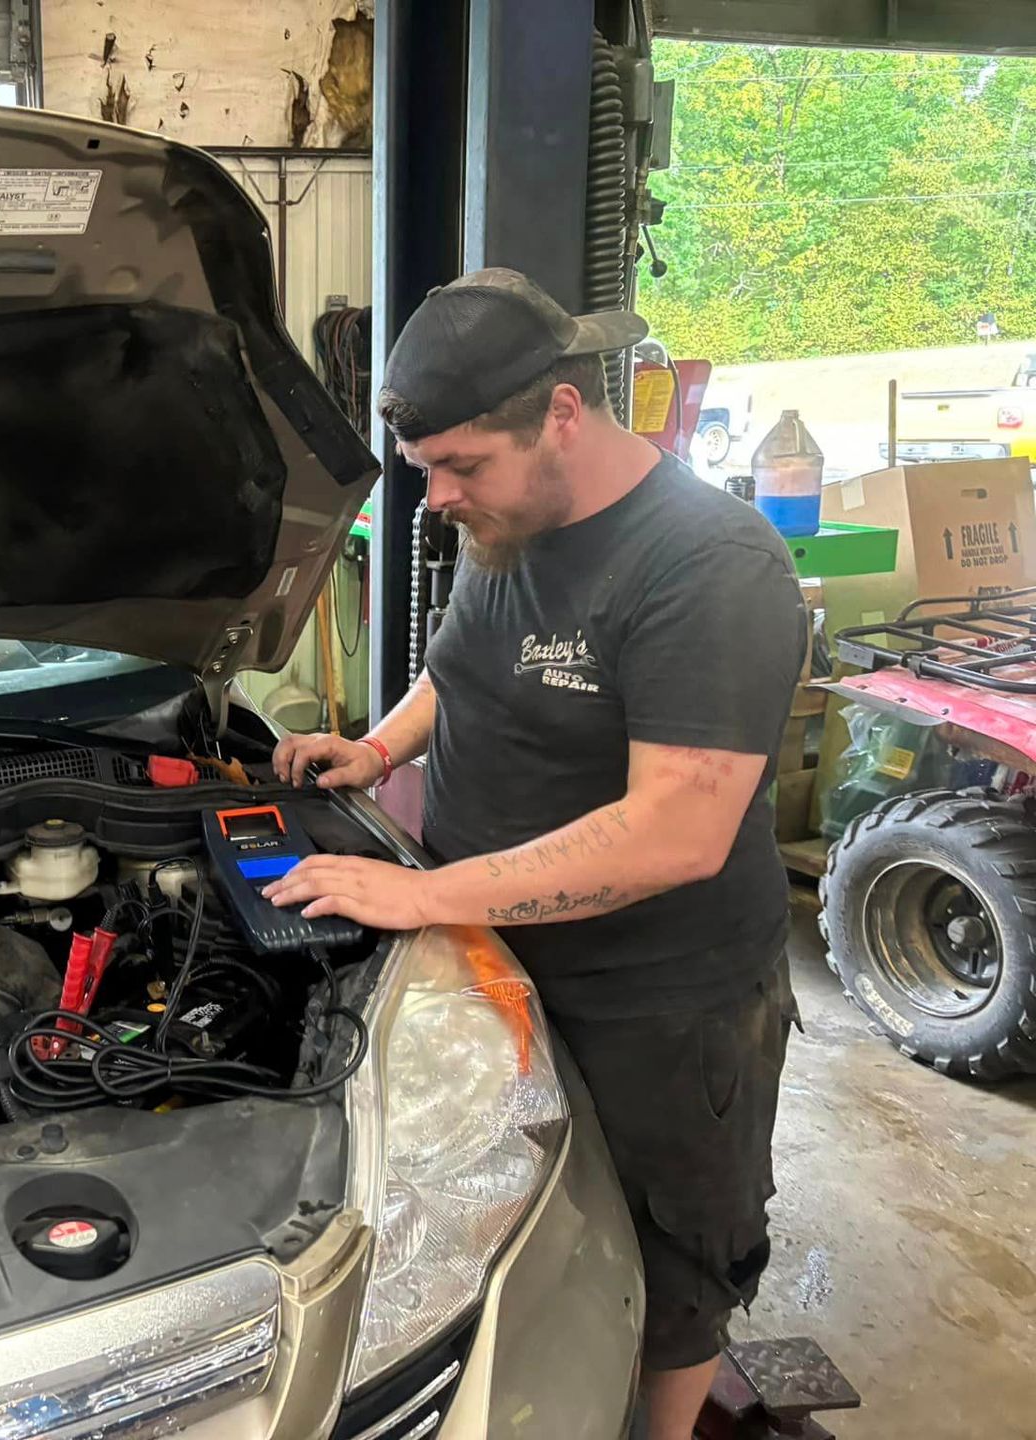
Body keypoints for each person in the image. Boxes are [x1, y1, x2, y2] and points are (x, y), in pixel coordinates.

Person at [268, 269, 807, 1440]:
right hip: (497, 952)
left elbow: (677, 829)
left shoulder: (707, 566)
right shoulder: (502, 521)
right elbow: (460, 670)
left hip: (658, 998)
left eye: (466, 469)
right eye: (430, 474)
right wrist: (375, 748)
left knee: (677, 1255)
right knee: (517, 1220)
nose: (444, 498)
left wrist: (419, 894)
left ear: (563, 412)